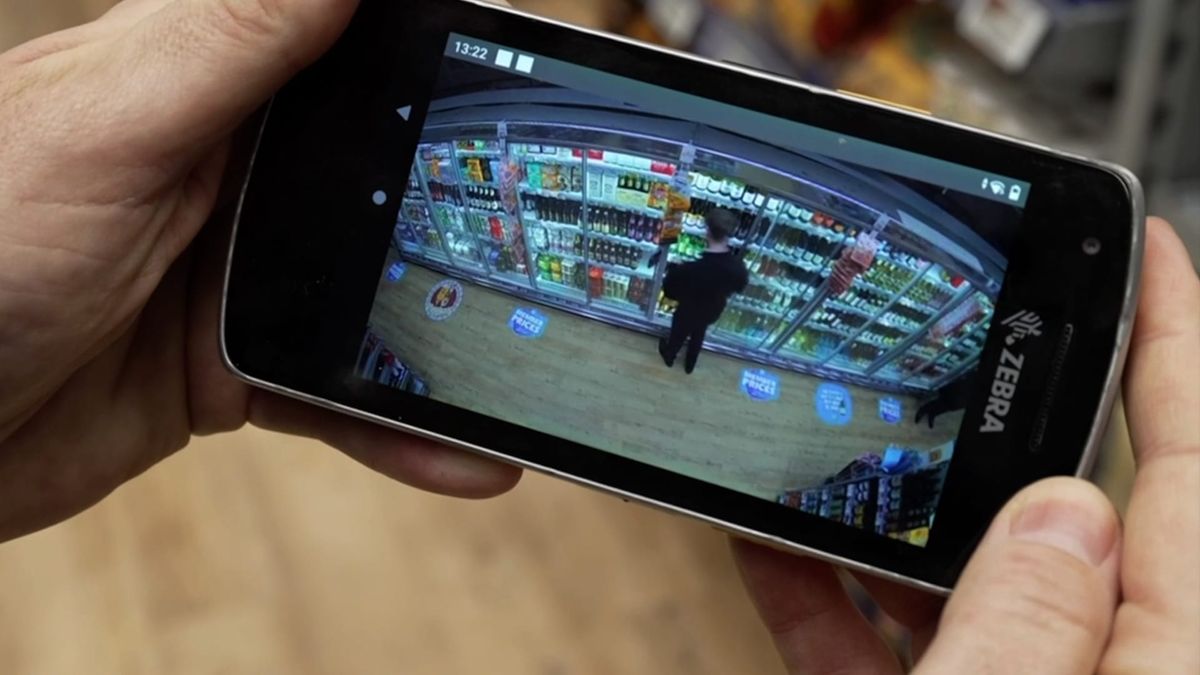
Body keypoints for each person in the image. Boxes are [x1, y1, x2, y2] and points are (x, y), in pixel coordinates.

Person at [0, 2, 1195, 673]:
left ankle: (669, 358)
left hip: (691, 311)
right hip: (698, 313)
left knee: (668, 345)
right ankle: (672, 359)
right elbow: (705, 276)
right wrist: (695, 292)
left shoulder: (711, 257)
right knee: (674, 346)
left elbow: (696, 273)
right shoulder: (724, 261)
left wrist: (685, 289)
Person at [658, 208, 749, 373]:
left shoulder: (689, 269)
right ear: (729, 234)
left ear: (707, 231)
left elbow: (670, 291)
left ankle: (669, 356)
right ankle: (690, 365)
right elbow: (740, 286)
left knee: (678, 334)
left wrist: (675, 270)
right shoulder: (738, 268)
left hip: (688, 311)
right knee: (699, 333)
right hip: (713, 310)